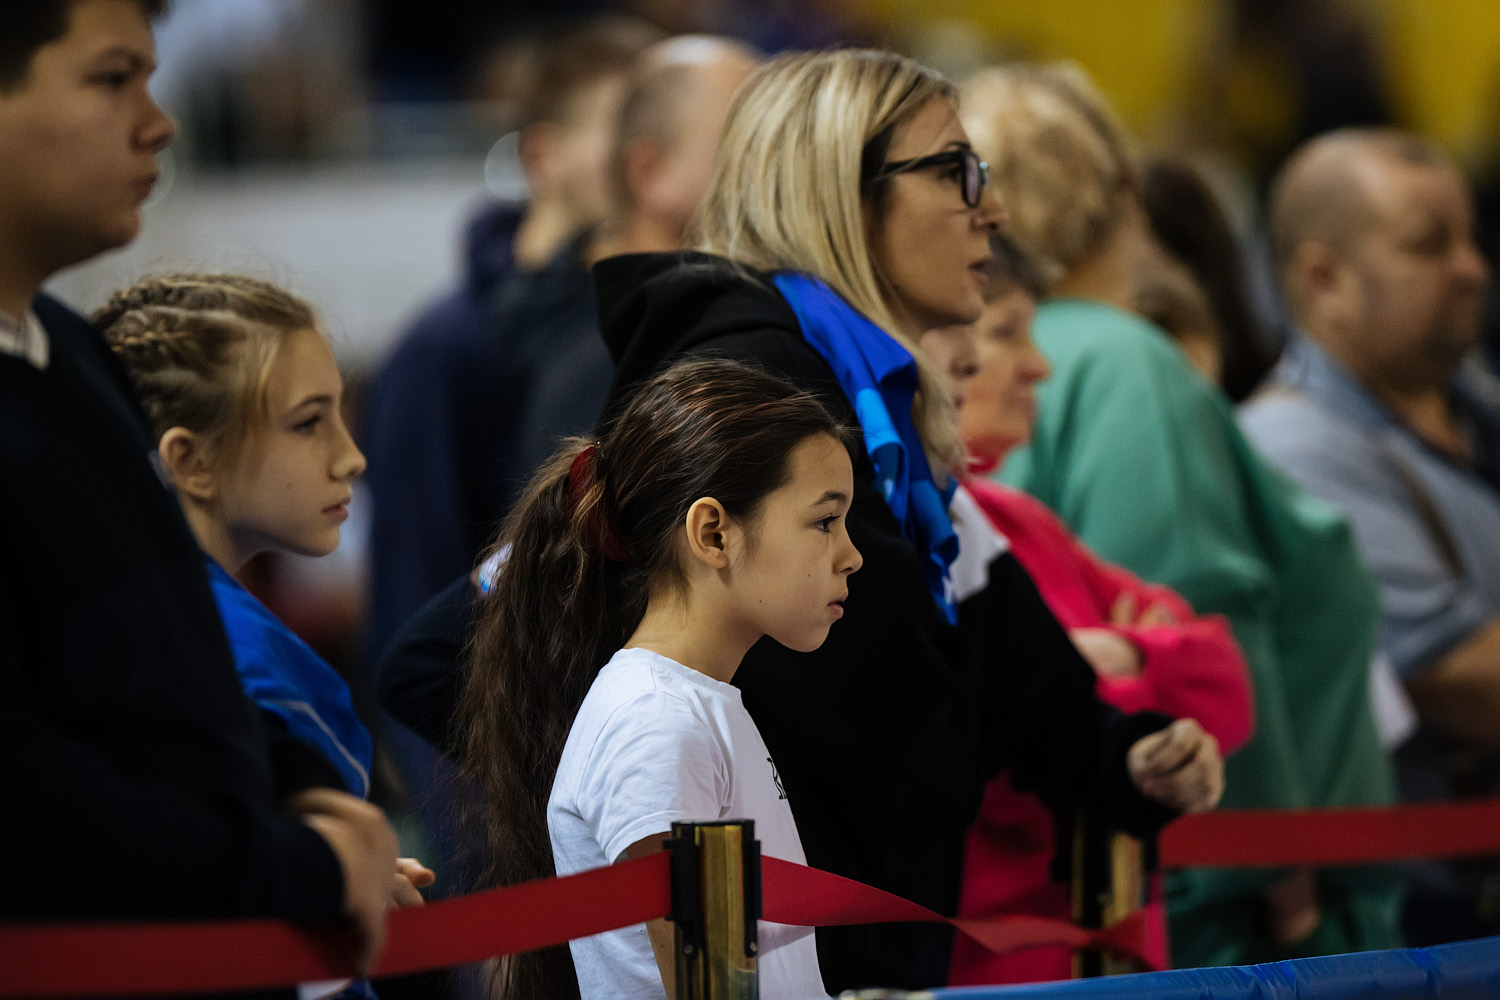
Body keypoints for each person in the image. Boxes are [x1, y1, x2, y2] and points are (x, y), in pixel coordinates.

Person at [590, 49, 1223, 991]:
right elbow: (899, 743)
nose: (992, 210)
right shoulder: (757, 387)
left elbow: (1010, 671)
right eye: (957, 172)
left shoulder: (877, 408)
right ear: (842, 193)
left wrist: (1133, 761)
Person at [963, 62, 1399, 966]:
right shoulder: (1128, 364)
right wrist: (1295, 917)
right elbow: (1205, 627)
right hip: (1216, 916)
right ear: (1125, 191)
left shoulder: (1004, 364)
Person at [0, 0, 398, 978]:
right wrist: (294, 862)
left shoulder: (71, 353)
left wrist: (302, 791)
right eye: (112, 79)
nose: (159, 121)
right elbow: (28, 794)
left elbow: (173, 675)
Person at [376, 36, 759, 750]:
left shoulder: (639, 325)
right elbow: (433, 609)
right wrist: (509, 803)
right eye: (620, 124)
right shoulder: (468, 348)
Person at [914, 238, 1255, 985]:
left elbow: (1227, 688)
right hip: (997, 975)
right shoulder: (923, 541)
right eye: (1006, 333)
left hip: (1113, 959)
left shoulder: (1021, 522)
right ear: (924, 347)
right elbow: (1017, 782)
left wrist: (1119, 656)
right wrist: (1131, 680)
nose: (1040, 366)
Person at [461, 357, 855, 1000]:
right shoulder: (657, 722)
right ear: (713, 533)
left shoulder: (687, 706)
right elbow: (714, 992)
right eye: (824, 522)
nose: (852, 554)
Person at [1242, 128, 1498, 943]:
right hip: (1433, 925)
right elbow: (1467, 678)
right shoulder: (1293, 450)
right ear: (1324, 277)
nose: (1471, 268)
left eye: (1471, 239)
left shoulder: (1476, 411)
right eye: (1430, 245)